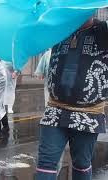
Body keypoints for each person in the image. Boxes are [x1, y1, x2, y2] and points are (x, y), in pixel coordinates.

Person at [36, 17, 108, 180]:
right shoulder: (59, 28)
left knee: (81, 163)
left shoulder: (104, 30)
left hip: (88, 114)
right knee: (46, 162)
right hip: (55, 109)